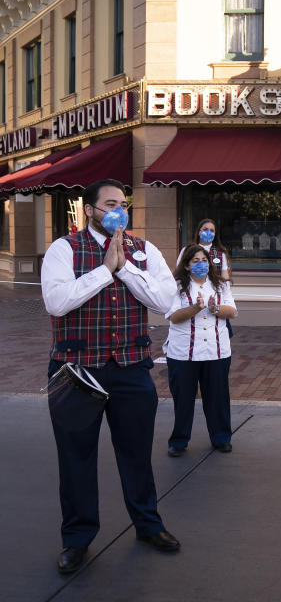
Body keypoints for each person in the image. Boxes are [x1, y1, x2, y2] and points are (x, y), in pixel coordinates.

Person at [40, 179, 181, 574]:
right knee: (76, 460)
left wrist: (125, 270)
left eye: (123, 204)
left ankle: (148, 525)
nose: (118, 211)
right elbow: (57, 301)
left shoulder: (144, 249)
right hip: (76, 371)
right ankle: (77, 540)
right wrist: (104, 270)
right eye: (109, 204)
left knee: (136, 455)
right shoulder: (63, 249)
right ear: (89, 210)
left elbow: (165, 301)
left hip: (131, 369)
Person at [164, 244, 238, 457]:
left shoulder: (220, 286)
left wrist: (216, 308)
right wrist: (195, 308)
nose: (201, 264)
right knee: (183, 398)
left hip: (216, 351)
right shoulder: (176, 286)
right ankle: (179, 441)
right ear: (186, 265)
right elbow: (173, 316)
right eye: (195, 261)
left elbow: (232, 312)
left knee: (217, 397)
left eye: (204, 260)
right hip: (184, 352)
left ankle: (221, 438)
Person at [178, 218, 234, 338]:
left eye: (212, 230)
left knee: (219, 334)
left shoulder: (220, 253)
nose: (209, 233)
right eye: (205, 229)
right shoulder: (187, 250)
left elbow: (225, 279)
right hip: (192, 296)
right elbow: (179, 274)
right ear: (199, 232)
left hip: (214, 298)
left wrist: (225, 299)